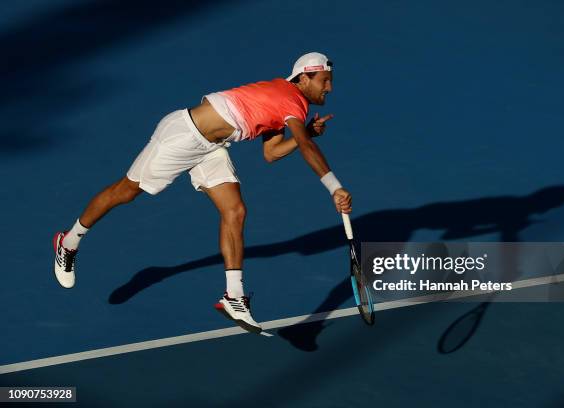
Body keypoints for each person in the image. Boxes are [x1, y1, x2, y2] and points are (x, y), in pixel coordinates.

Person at [53, 52, 352, 333]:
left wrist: (308, 133)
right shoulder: (292, 101)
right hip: (182, 137)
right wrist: (334, 186)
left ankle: (233, 296)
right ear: (302, 79)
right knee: (126, 191)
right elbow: (306, 148)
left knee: (235, 211)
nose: (329, 88)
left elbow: (272, 153)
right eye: (324, 81)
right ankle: (69, 241)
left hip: (211, 147)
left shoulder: (287, 103)